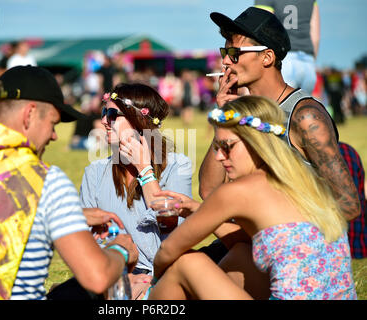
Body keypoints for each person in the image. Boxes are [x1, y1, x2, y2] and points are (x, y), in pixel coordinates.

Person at [0, 65, 138, 300]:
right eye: (53, 124)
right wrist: (121, 248)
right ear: (29, 114)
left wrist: (72, 215)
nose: (53, 136)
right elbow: (98, 277)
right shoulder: (43, 179)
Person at [197, 5, 360, 275]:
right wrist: (224, 117)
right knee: (177, 270)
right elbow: (208, 191)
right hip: (248, 245)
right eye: (225, 52)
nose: (225, 62)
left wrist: (285, 240)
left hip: (291, 258)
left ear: (267, 57)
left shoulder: (305, 116)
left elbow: (349, 205)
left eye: (235, 53)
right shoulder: (243, 115)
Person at [149, 95, 357, 300]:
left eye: (227, 147)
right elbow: (252, 240)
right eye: (216, 148)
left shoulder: (238, 191)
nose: (220, 157)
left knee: (187, 264)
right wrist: (197, 209)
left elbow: (168, 249)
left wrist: (154, 281)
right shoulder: (303, 178)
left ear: (256, 142)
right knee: (240, 253)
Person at [80, 82, 193, 299]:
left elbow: (175, 231)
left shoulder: (177, 167)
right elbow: (86, 240)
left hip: (165, 276)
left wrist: (145, 170)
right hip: (111, 273)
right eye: (104, 112)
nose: (104, 121)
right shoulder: (94, 172)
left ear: (138, 120)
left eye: (112, 114)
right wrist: (122, 276)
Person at [255, 0, 320, 94]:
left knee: (278, 107)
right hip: (308, 63)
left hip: (284, 60)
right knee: (303, 107)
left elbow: (263, 28)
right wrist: (312, 62)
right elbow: (315, 37)